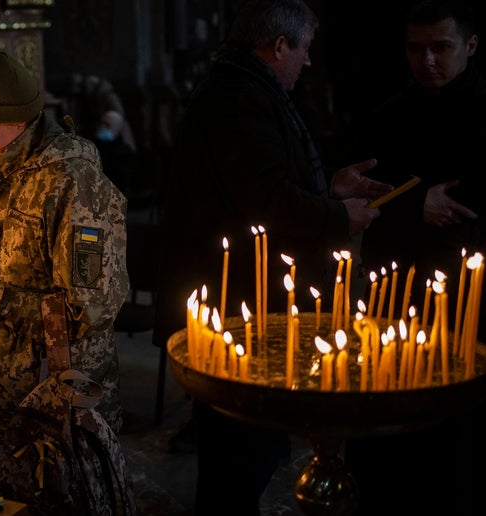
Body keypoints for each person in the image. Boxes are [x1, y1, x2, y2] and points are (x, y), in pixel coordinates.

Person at [154, 1, 392, 514]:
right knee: (241, 457)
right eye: (303, 49)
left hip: (245, 291)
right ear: (278, 45)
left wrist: (328, 186)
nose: (308, 62)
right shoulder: (239, 98)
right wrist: (338, 217)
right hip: (237, 299)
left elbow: (262, 182)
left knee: (250, 451)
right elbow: (264, 199)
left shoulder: (244, 89)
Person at [0, 51, 130, 444]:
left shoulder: (72, 178)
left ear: (15, 116)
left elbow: (89, 309)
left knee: (70, 495)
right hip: (12, 380)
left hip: (64, 388)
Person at [345, 2, 484, 514]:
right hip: (398, 284)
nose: (427, 60)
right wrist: (415, 202)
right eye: (415, 48)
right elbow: (362, 191)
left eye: (440, 48)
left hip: (471, 296)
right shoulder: (388, 115)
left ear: (469, 46)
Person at [91, 110, 138, 197]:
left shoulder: (125, 153)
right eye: (101, 123)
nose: (102, 127)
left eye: (107, 125)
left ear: (116, 127)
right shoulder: (94, 146)